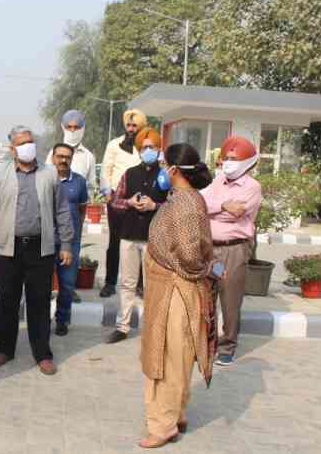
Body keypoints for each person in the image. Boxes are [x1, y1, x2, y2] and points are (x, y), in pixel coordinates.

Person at [139, 143, 220, 449]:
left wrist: (192, 268)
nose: (160, 168)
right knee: (179, 357)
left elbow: (188, 254)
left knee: (168, 359)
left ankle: (163, 426)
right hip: (170, 289)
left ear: (173, 169)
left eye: (163, 163)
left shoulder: (186, 203)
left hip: (177, 290)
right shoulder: (184, 198)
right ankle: (178, 414)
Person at [0, 125, 74, 375]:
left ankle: (42, 353)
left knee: (39, 301)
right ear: (12, 148)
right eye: (21, 143)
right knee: (7, 299)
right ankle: (4, 349)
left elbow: (62, 210)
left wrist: (65, 244)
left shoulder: (50, 174)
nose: (27, 147)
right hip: (7, 247)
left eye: (30, 141)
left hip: (41, 248)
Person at [200, 136, 261, 366]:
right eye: (225, 158)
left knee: (230, 300)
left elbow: (235, 213)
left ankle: (227, 346)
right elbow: (199, 203)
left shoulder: (252, 187)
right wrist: (224, 205)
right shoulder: (218, 181)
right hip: (211, 250)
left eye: (233, 159)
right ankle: (208, 342)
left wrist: (215, 209)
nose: (228, 162)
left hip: (233, 251)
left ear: (247, 162)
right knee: (208, 296)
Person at [106, 128, 168, 344]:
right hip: (129, 235)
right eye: (144, 147)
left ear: (159, 149)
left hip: (153, 237)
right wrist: (130, 202)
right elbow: (115, 201)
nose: (148, 150)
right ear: (139, 150)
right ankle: (122, 326)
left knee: (152, 285)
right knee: (127, 283)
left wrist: (155, 205)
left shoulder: (166, 175)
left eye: (152, 147)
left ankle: (152, 328)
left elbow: (175, 204)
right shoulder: (129, 173)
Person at [99, 109, 145, 298]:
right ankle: (110, 282)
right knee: (114, 242)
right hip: (117, 200)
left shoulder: (146, 145)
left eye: (135, 125)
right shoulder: (114, 145)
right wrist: (107, 193)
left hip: (141, 201)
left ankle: (140, 285)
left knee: (141, 243)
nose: (132, 128)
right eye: (129, 125)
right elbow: (105, 170)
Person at [51, 143, 88, 337]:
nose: (63, 160)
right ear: (53, 157)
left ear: (72, 159)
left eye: (67, 157)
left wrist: (76, 233)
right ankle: (40, 320)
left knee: (67, 284)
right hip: (46, 240)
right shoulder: (45, 178)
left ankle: (62, 320)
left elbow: (82, 210)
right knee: (41, 284)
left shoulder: (79, 182)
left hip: (70, 242)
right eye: (60, 156)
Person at [45, 110, 97, 189]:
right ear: (63, 127)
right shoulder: (53, 153)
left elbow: (92, 186)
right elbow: (47, 181)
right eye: (69, 127)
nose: (72, 130)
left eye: (76, 127)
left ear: (82, 128)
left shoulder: (88, 157)